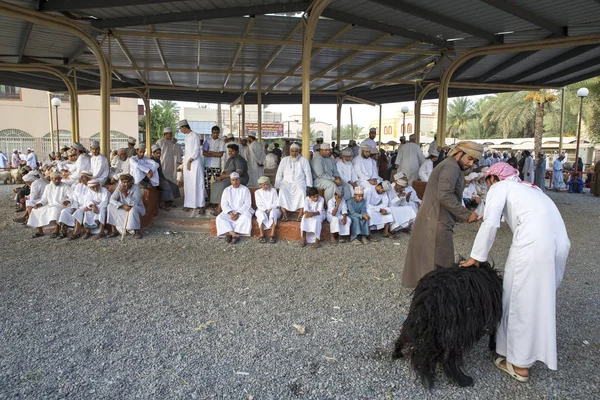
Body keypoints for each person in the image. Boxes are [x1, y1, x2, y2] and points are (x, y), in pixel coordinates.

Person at [460, 162, 570, 383]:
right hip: (560, 244)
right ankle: (520, 350)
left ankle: (519, 364)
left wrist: (476, 257)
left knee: (520, 301)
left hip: (533, 244)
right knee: (539, 298)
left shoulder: (500, 188)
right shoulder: (530, 188)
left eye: (486, 182)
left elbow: (490, 223)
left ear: (493, 179)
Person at [402, 141, 481, 288]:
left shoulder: (451, 166)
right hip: (436, 219)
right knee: (438, 260)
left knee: (429, 257)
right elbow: (444, 195)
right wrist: (466, 214)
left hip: (436, 217)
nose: (470, 164)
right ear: (459, 153)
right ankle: (434, 295)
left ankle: (428, 292)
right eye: (469, 158)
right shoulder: (451, 167)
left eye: (474, 161)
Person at [28, 171, 72, 238]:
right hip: (50, 205)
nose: (58, 181)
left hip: (60, 205)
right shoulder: (48, 187)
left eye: (59, 179)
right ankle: (39, 231)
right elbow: (44, 199)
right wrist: (39, 203)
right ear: (51, 179)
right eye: (56, 179)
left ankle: (57, 230)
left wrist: (68, 201)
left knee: (55, 210)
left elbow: (72, 196)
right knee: (35, 210)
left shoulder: (65, 186)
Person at [275, 143, 312, 221]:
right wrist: (277, 185)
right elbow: (279, 173)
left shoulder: (303, 160)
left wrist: (309, 185)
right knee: (282, 191)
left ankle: (300, 214)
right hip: (286, 183)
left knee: (302, 191)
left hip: (299, 182)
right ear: (289, 151)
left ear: (299, 151)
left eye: (296, 151)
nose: (294, 153)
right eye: (292, 151)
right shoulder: (284, 160)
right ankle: (284, 214)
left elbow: (308, 173)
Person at [215, 172, 254, 244]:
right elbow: (224, 204)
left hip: (242, 211)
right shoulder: (226, 190)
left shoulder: (245, 189)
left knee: (246, 217)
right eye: (233, 180)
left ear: (239, 180)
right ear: (230, 181)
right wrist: (230, 213)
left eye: (237, 180)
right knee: (219, 218)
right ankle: (234, 234)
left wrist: (238, 213)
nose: (235, 182)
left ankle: (230, 233)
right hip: (230, 211)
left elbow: (247, 204)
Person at [106, 173, 146, 239]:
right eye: (124, 182)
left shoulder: (136, 188)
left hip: (138, 208)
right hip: (125, 207)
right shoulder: (119, 187)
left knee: (133, 209)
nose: (126, 184)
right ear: (121, 182)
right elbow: (112, 199)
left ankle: (137, 231)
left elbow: (135, 204)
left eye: (128, 182)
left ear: (131, 182)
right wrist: (122, 206)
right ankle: (114, 231)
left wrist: (125, 194)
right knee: (110, 206)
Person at [210, 143, 249, 208]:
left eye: (232, 151)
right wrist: (221, 176)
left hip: (240, 179)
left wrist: (223, 177)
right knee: (215, 183)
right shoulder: (230, 159)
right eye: (229, 151)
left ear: (237, 151)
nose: (230, 153)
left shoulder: (239, 159)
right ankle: (216, 204)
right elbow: (225, 170)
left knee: (222, 184)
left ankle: (220, 207)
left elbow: (238, 173)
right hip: (229, 178)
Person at [180, 119, 206, 214]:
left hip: (194, 163)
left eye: (180, 128)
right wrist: (184, 162)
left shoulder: (194, 135)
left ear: (184, 127)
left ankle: (201, 205)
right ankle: (190, 204)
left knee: (198, 184)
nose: (180, 130)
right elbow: (186, 152)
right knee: (189, 184)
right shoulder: (187, 137)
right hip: (188, 164)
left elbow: (196, 151)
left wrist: (190, 160)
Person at [58, 171, 91, 239]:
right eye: (81, 177)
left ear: (88, 178)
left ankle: (76, 232)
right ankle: (64, 231)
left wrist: (79, 208)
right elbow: (74, 198)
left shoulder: (91, 186)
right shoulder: (78, 186)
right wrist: (74, 207)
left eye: (83, 177)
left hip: (85, 206)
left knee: (78, 212)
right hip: (77, 205)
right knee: (64, 211)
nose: (81, 179)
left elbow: (89, 200)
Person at [150, 144, 181, 210]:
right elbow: (154, 174)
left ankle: (169, 201)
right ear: (153, 153)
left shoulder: (158, 160)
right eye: (157, 153)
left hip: (160, 178)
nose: (159, 155)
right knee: (167, 187)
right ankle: (162, 203)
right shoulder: (151, 161)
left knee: (174, 185)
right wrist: (163, 180)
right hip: (155, 179)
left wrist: (164, 179)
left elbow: (160, 172)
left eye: (159, 153)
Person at [255, 176, 281, 244]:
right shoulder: (257, 192)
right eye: (264, 185)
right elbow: (259, 204)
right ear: (260, 185)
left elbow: (276, 202)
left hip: (274, 209)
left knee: (273, 213)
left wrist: (270, 209)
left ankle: (272, 234)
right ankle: (261, 234)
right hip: (262, 209)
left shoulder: (273, 190)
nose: (266, 186)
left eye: (267, 184)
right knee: (260, 214)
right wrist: (265, 210)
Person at [203, 125, 226, 199]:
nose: (215, 134)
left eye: (217, 133)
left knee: (217, 183)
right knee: (207, 183)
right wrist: (216, 153)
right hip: (207, 165)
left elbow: (220, 154)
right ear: (211, 133)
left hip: (217, 166)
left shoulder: (221, 141)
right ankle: (209, 199)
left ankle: (216, 200)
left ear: (219, 133)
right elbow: (204, 153)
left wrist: (210, 152)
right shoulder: (207, 141)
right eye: (214, 133)